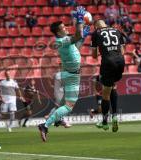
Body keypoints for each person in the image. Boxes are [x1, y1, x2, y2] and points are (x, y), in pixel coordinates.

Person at [38, 6, 90, 142]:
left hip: (69, 74)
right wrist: (79, 20)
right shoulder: (61, 41)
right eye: (63, 27)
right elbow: (77, 35)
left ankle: (56, 119)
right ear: (57, 31)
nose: (66, 28)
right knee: (69, 106)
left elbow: (76, 47)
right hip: (72, 76)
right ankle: (45, 125)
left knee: (62, 104)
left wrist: (82, 37)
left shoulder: (63, 41)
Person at [91, 19, 125, 131]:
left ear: (96, 26)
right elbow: (122, 51)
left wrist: (102, 51)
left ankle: (105, 122)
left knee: (105, 94)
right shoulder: (117, 31)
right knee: (113, 86)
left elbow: (94, 55)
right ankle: (114, 116)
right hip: (120, 61)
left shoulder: (96, 33)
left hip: (108, 62)